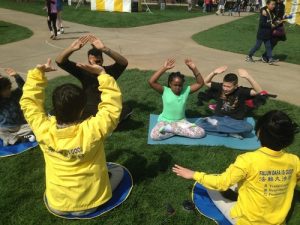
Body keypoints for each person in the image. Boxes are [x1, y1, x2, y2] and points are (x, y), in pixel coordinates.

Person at [20, 59, 124, 216]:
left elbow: (29, 104)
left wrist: (37, 74)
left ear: (55, 107)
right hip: (91, 203)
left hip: (57, 203)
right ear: (82, 109)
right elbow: (112, 108)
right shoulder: (92, 130)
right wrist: (102, 74)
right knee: (118, 171)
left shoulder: (42, 129)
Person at [173, 110, 300, 225]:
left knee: (209, 185)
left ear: (260, 132)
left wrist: (194, 174)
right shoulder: (294, 161)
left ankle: (234, 200)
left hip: (247, 221)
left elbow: (221, 183)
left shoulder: (247, 160)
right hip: (278, 222)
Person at [55, 34, 131, 121]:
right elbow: (59, 61)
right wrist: (71, 49)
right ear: (88, 60)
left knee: (126, 109)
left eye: (98, 60)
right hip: (88, 107)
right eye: (92, 59)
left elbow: (123, 63)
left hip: (105, 105)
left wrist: (104, 49)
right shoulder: (83, 70)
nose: (95, 61)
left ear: (102, 60)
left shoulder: (109, 71)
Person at [196, 67, 262, 139]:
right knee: (199, 123)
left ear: (235, 86)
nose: (225, 88)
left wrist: (248, 76)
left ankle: (221, 130)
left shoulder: (241, 91)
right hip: (218, 118)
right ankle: (229, 132)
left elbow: (259, 92)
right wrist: (214, 72)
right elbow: (206, 82)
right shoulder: (220, 87)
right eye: (224, 85)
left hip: (234, 121)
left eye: (228, 87)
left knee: (248, 128)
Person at [149, 58, 205, 140]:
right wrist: (164, 68)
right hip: (165, 121)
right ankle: (178, 130)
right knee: (154, 136)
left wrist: (194, 69)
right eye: (175, 85)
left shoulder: (185, 91)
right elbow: (151, 82)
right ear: (170, 84)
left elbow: (200, 83)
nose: (178, 88)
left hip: (181, 122)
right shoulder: (165, 90)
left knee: (201, 133)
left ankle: (171, 130)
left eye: (180, 85)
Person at [0, 68, 35, 146]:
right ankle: (18, 138)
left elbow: (23, 88)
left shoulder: (15, 94)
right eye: (4, 90)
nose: (8, 91)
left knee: (35, 126)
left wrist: (16, 76)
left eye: (9, 88)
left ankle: (15, 138)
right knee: (0, 131)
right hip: (6, 128)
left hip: (21, 125)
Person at [245, 0, 277, 65]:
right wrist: (271, 25)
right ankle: (249, 56)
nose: (273, 6)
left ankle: (270, 59)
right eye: (272, 4)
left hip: (267, 33)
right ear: (267, 5)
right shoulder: (264, 12)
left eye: (274, 4)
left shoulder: (271, 11)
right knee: (257, 46)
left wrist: (275, 23)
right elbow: (262, 24)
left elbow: (271, 20)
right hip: (262, 33)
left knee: (268, 46)